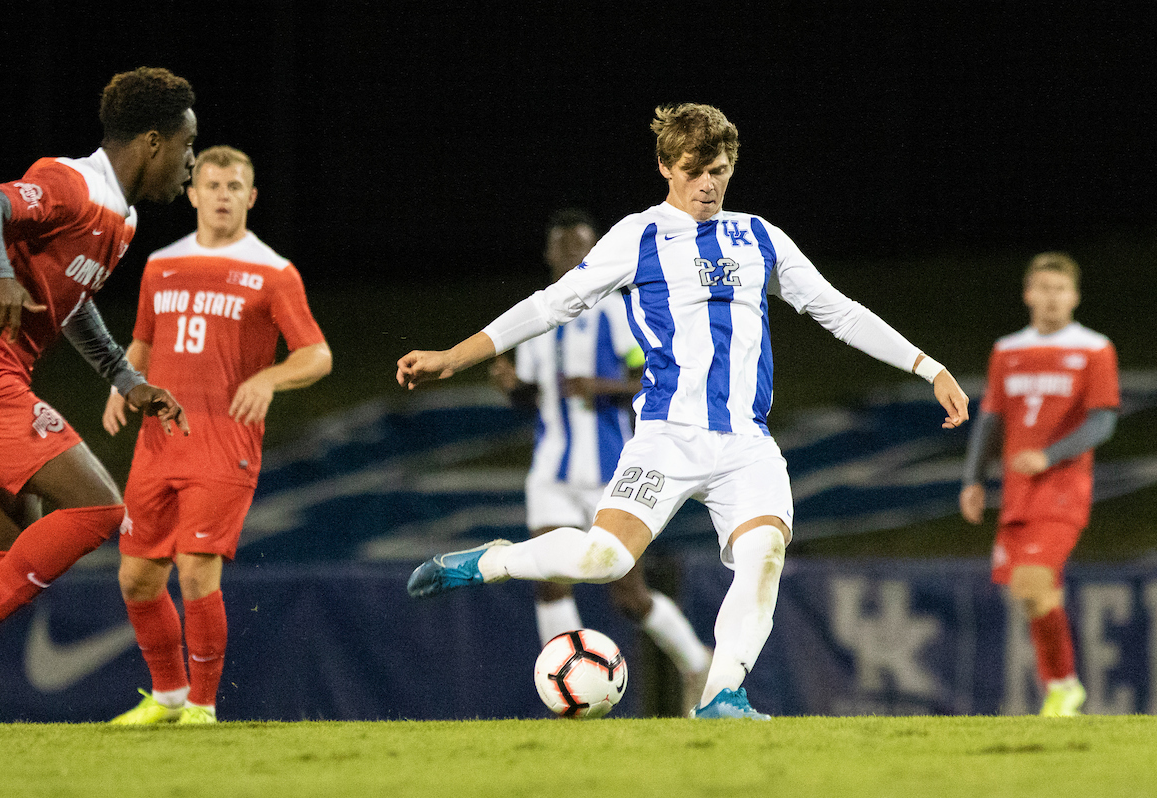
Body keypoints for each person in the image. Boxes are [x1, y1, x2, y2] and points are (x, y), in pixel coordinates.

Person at [397, 103, 969, 719]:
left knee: (764, 556)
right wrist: (454, 356)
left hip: (746, 444)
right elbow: (550, 305)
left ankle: (722, 696)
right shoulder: (638, 236)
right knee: (604, 559)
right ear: (666, 167)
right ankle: (493, 560)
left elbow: (839, 311)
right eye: (695, 171)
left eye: (719, 170)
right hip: (667, 437)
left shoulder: (760, 237)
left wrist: (928, 366)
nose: (708, 184)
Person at [0, 67, 196, 726]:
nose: (190, 162)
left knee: (6, 547)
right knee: (98, 508)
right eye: (186, 145)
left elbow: (72, 300)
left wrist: (126, 378)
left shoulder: (122, 220)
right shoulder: (72, 183)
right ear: (153, 141)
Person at [101, 145, 332, 725]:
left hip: (225, 445)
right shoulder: (161, 264)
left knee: (195, 568)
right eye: (212, 185)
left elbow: (317, 354)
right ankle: (168, 695)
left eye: (234, 187)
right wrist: (122, 383)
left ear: (250, 197)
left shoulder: (273, 271)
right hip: (158, 444)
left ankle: (202, 706)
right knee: (136, 578)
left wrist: (270, 378)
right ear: (193, 194)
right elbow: (144, 341)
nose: (223, 196)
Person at [490, 208, 712, 717]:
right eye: (563, 245)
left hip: (612, 473)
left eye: (580, 245)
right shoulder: (536, 319)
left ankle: (697, 663)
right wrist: (513, 388)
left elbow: (655, 378)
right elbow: (535, 398)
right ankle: (571, 696)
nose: (572, 254)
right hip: (551, 472)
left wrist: (602, 386)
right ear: (548, 254)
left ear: (594, 252)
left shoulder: (617, 312)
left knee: (628, 595)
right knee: (548, 579)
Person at [960, 252, 1118, 717]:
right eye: (1044, 288)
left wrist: (1049, 455)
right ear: (1028, 294)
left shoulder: (1094, 349)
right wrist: (973, 479)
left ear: (1075, 297)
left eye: (1060, 289)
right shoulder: (1008, 350)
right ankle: (1064, 688)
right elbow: (990, 420)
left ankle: (1064, 688)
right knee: (1033, 595)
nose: (1052, 298)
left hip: (1064, 489)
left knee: (1031, 585)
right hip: (1017, 494)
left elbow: (1103, 422)